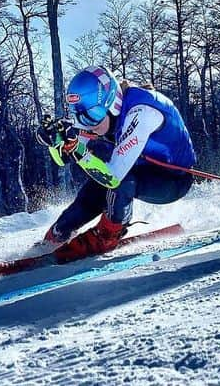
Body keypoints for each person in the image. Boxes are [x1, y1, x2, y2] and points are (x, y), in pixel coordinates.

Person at [35, 66, 197, 261]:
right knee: (94, 188)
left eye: (91, 115)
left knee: (119, 180)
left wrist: (78, 150)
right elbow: (63, 160)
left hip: (173, 181)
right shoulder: (97, 114)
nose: (86, 123)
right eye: (78, 116)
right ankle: (55, 237)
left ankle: (108, 235)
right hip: (142, 168)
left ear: (112, 102)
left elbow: (113, 177)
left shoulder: (142, 112)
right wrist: (56, 142)